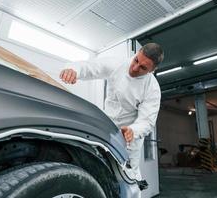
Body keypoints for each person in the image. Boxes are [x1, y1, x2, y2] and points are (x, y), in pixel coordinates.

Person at [59, 43, 163, 185]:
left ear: (152, 70)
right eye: (136, 60)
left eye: (143, 68)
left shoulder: (152, 88)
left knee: (126, 179)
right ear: (137, 53)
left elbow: (147, 121)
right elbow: (90, 67)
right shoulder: (117, 64)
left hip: (129, 137)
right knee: (99, 169)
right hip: (107, 127)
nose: (134, 68)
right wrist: (73, 70)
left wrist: (133, 130)